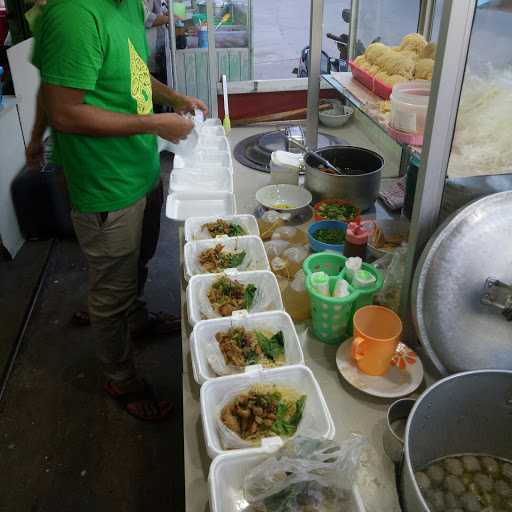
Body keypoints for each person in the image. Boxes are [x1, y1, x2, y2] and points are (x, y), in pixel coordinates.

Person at [27, 0, 207, 421]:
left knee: (138, 260)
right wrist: (155, 124)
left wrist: (173, 97)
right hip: (105, 184)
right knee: (109, 295)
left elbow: (133, 74)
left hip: (141, 167)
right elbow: (64, 109)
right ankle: (120, 377)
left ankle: (137, 318)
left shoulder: (126, 8)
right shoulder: (73, 15)